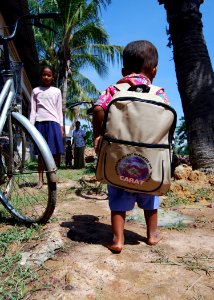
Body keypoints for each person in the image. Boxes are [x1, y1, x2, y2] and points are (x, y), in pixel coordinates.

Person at [93, 40, 170, 253]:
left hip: (119, 158)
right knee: (150, 196)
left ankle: (118, 240)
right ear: (154, 70)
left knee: (118, 196)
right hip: (148, 161)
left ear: (124, 70)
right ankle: (152, 236)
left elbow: (99, 109)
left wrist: (98, 135)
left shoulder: (114, 89)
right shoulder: (158, 93)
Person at [30, 65, 64, 189]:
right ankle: (40, 180)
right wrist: (30, 126)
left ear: (52, 77)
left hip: (53, 123)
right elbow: (33, 111)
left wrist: (61, 126)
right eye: (44, 74)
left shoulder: (57, 91)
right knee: (40, 154)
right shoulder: (35, 91)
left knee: (55, 153)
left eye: (48, 75)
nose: (46, 77)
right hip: (39, 123)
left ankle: (53, 177)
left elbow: (59, 110)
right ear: (41, 76)